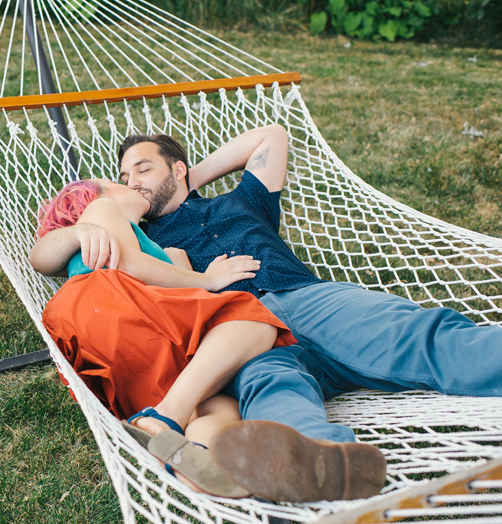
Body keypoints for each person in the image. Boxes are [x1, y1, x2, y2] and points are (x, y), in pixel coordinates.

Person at [30, 124, 502, 503]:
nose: (131, 180)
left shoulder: (243, 202)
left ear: (177, 168)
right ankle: (323, 463)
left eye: (143, 168)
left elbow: (272, 136)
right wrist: (83, 232)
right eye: (123, 175)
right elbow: (58, 249)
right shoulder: (142, 238)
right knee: (273, 394)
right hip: (236, 336)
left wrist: (189, 178)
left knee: (419, 335)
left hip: (298, 298)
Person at [37, 178, 299, 497]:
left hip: (115, 343)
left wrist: (181, 266)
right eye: (118, 183)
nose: (133, 185)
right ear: (96, 195)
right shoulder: (100, 209)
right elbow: (130, 265)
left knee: (214, 404)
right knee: (253, 320)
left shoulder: (155, 248)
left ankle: (203, 459)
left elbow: (167, 285)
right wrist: (207, 279)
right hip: (107, 302)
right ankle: (164, 418)